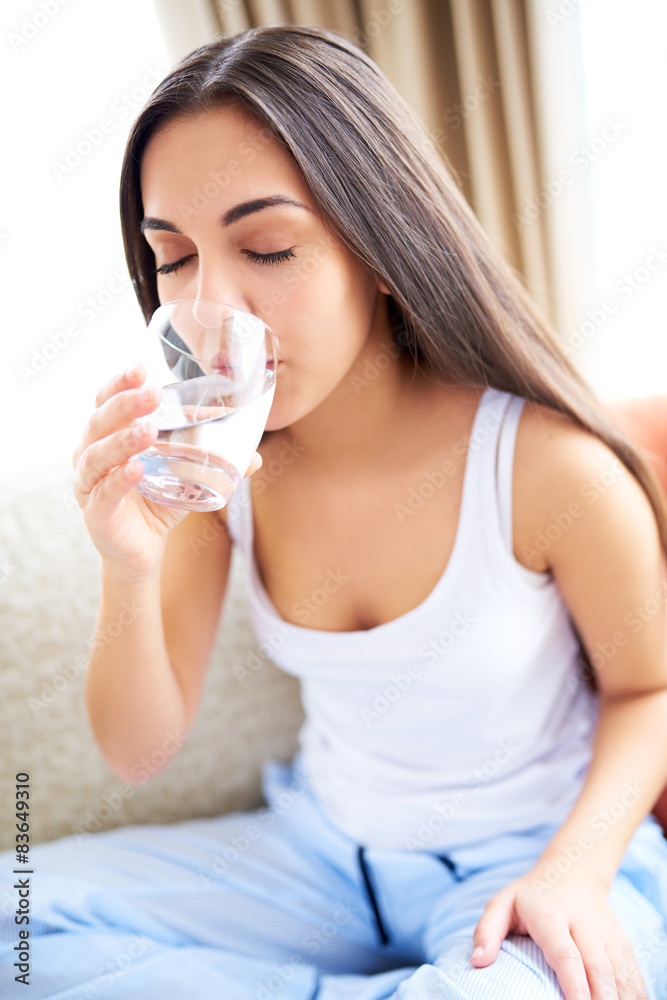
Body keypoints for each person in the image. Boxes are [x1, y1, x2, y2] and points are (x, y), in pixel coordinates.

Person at [2, 22, 667, 1000]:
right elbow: (138, 751)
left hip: (529, 864)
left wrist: (572, 869)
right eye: (174, 260)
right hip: (321, 855)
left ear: (386, 249)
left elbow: (646, 693)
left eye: (266, 247)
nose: (207, 306)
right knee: (16, 920)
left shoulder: (544, 468)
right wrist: (128, 562)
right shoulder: (221, 468)